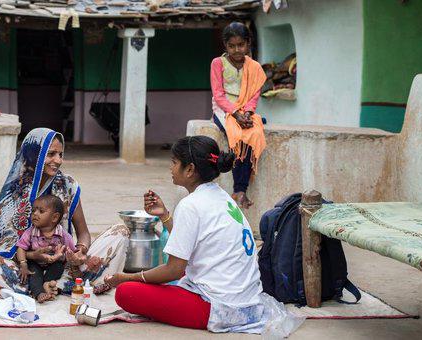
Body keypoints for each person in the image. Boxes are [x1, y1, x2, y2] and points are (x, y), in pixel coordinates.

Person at [106, 136, 299, 335]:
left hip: (219, 307)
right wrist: (164, 216)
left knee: (126, 292)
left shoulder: (190, 205)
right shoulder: (221, 197)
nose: (170, 168)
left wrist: (129, 277)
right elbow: (188, 245)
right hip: (247, 301)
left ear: (189, 170)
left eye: (174, 163)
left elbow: (175, 270)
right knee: (160, 279)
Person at [0, 128, 129, 298]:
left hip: (64, 264)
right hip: (26, 267)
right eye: (51, 154)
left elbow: (84, 232)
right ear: (34, 154)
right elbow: (6, 248)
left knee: (120, 232)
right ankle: (49, 287)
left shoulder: (68, 184)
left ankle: (55, 285)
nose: (57, 160)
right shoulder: (14, 191)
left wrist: (80, 251)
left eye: (60, 154)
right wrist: (32, 255)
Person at [210, 21, 267, 209]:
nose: (236, 50)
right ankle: (240, 189)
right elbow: (218, 94)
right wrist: (235, 113)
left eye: (241, 45)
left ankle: (240, 190)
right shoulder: (218, 63)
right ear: (225, 45)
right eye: (232, 46)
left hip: (246, 110)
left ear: (248, 43)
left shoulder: (255, 67)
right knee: (237, 136)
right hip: (224, 109)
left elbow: (254, 94)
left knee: (254, 134)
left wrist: (248, 113)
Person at [15, 195, 75, 303]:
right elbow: (21, 248)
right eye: (33, 211)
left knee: (58, 267)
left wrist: (74, 257)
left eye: (41, 211)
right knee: (33, 273)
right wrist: (23, 264)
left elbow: (73, 252)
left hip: (54, 264)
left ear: (54, 218)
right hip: (36, 262)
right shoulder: (30, 232)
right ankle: (38, 293)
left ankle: (47, 284)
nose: (35, 214)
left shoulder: (63, 235)